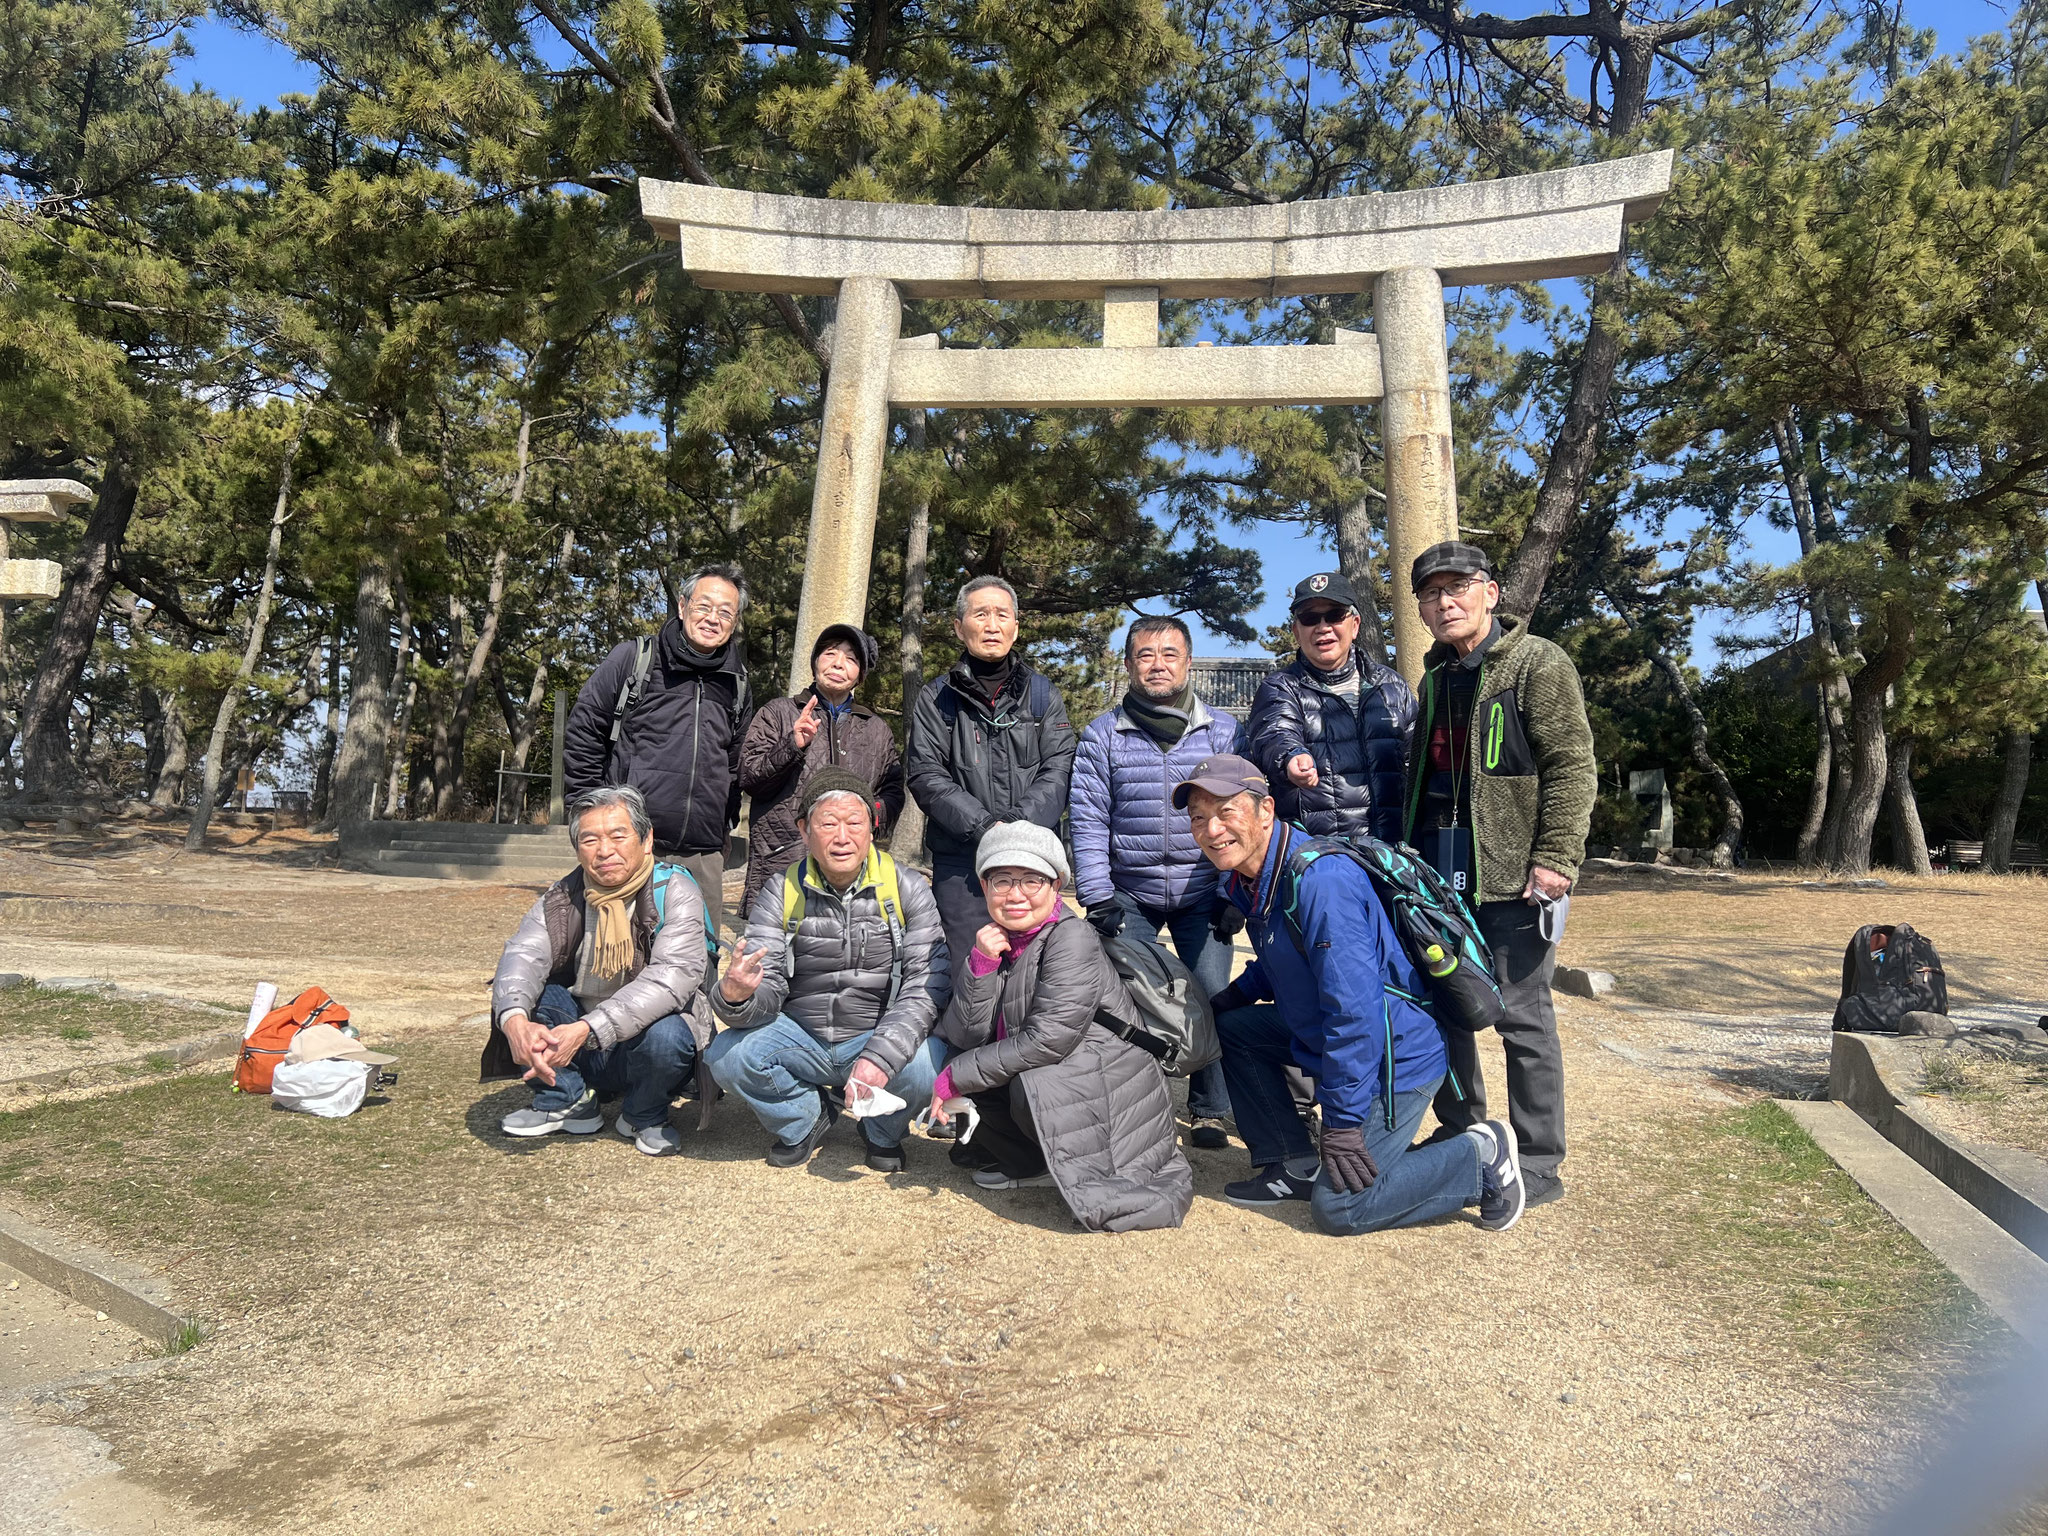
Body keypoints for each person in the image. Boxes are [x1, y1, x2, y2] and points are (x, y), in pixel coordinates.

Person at [1177, 754, 1523, 1235]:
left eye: (1226, 812)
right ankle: (1292, 1162)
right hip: (1332, 1036)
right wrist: (1222, 1004)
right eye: (1198, 817)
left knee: (1341, 1210)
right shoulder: (1251, 877)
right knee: (1235, 1029)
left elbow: (1354, 1012)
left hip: (1391, 1060)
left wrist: (1341, 1124)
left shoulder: (1321, 881)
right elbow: (1283, 962)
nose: (1211, 830)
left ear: (1266, 810)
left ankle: (1480, 1154)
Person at [1402, 541, 1596, 1210]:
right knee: (1445, 1008)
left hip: (1513, 875)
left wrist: (1557, 857)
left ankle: (1539, 1159)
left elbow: (1572, 765)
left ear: (1491, 593)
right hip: (1439, 873)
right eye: (1432, 594)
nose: (1446, 601)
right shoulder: (1433, 680)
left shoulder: (1537, 663)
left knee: (1523, 1015)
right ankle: (1463, 1132)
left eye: (1460, 587)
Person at [929, 822, 1193, 1232]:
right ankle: (1031, 1162)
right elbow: (966, 1035)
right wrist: (980, 966)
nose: (1016, 894)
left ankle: (1038, 1159)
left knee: (1016, 1080)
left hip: (1106, 1075)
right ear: (984, 887)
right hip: (1066, 1068)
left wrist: (954, 1079)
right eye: (1002, 880)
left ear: (1057, 885)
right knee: (963, 1058)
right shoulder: (999, 940)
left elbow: (1049, 1039)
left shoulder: (1071, 938)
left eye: (1032, 880)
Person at [706, 769, 951, 1172]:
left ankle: (881, 1130)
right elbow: (767, 990)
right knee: (726, 1056)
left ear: (872, 829)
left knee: (929, 1063)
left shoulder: (906, 886)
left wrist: (882, 1056)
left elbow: (928, 983)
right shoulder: (781, 889)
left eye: (854, 823)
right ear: (804, 831)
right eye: (828, 824)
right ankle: (803, 1119)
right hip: (803, 1033)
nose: (842, 837)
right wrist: (736, 994)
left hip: (876, 1031)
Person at [1069, 614, 1242, 1150]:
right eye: (1145, 655)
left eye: (1170, 653)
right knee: (1127, 1001)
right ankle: (1138, 1103)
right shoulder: (1104, 734)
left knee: (1210, 992)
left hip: (1202, 891)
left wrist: (1231, 890)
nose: (1158, 664)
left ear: (1188, 661)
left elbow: (1240, 817)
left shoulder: (1222, 731)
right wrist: (1097, 896)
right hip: (1130, 890)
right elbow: (1088, 817)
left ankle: (1211, 1107)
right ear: (1128, 665)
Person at [488, 786, 709, 1155]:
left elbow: (673, 978)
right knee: (528, 998)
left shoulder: (675, 890)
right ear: (577, 848)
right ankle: (567, 1099)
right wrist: (513, 1021)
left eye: (618, 835)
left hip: (635, 1038)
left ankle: (645, 1113)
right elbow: (523, 955)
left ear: (647, 839)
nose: (604, 850)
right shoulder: (564, 895)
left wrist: (590, 1028)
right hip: (574, 1036)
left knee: (671, 1034)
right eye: (590, 839)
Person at [563, 563, 753, 941]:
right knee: (619, 969)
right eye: (703, 606)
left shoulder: (738, 683)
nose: (712, 619)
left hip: (703, 854)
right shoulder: (635, 660)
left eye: (725, 612)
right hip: (629, 848)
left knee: (698, 968)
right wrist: (588, 816)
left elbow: (735, 763)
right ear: (682, 606)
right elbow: (584, 733)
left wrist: (724, 825)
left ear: (735, 622)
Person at [906, 575, 1078, 972]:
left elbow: (1059, 768)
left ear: (1015, 627)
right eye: (980, 613)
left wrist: (1014, 828)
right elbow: (926, 774)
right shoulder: (936, 698)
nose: (992, 624)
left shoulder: (1041, 694)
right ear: (958, 626)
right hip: (961, 863)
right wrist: (985, 828)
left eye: (1002, 614)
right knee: (970, 970)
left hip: (1031, 863)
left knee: (1037, 973)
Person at [738, 623, 904, 911]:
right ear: (815, 662)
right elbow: (749, 777)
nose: (839, 663)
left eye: (851, 659)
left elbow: (892, 790)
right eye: (830, 654)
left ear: (860, 675)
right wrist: (792, 746)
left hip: (850, 865)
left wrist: (868, 818)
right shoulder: (777, 713)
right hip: (782, 860)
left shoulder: (876, 729)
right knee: (773, 950)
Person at [1245, 572, 1415, 842]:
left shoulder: (1391, 684)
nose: (1323, 627)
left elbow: (1415, 756)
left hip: (1394, 852)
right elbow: (1274, 733)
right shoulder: (1281, 687)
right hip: (1320, 856)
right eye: (1310, 618)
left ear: (1355, 624)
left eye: (1335, 615)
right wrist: (1291, 757)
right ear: (1296, 631)